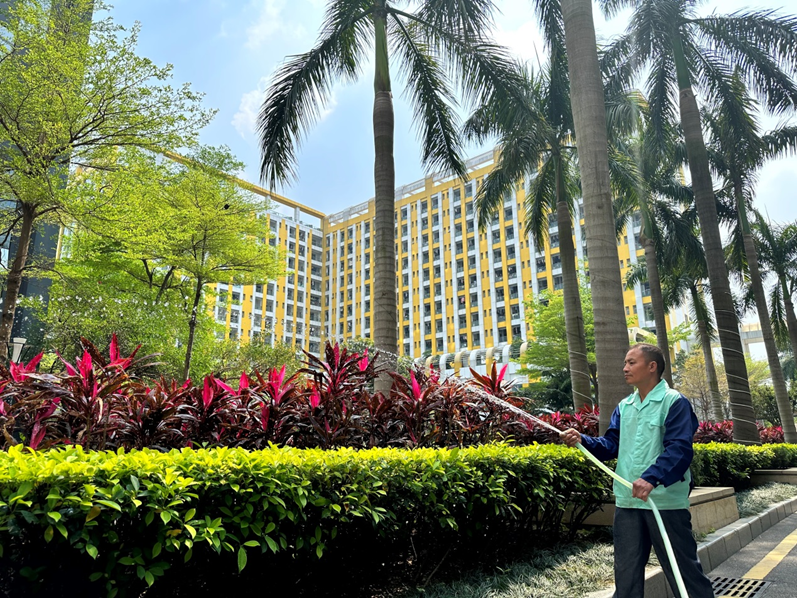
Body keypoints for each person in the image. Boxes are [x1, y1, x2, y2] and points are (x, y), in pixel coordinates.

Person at [561, 343, 714, 598]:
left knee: (685, 573)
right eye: (625, 362)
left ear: (652, 366)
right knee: (626, 576)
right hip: (628, 501)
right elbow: (611, 445)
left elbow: (680, 449)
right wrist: (582, 440)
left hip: (665, 503)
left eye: (631, 362)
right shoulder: (625, 406)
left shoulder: (674, 402)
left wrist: (651, 478)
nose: (625, 368)